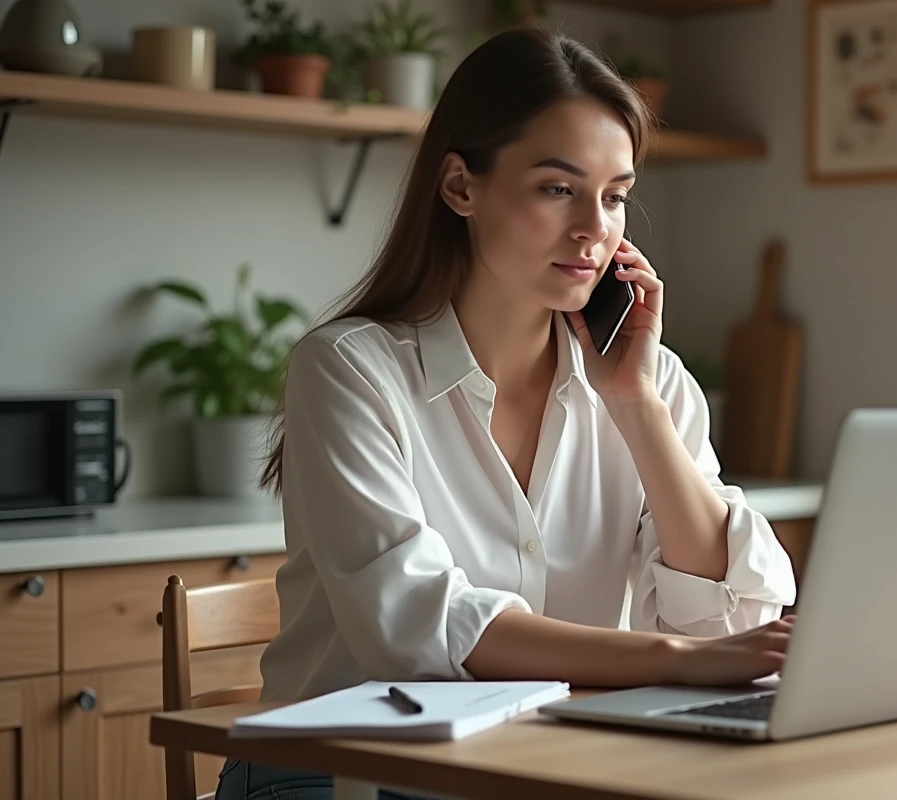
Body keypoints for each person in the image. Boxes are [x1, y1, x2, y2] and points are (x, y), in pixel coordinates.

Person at [214, 25, 796, 800]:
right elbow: (418, 629)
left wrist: (636, 407)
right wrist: (673, 661)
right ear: (460, 186)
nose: (596, 228)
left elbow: (731, 619)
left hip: (539, 768)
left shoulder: (650, 382)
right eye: (558, 189)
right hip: (335, 776)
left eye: (616, 196)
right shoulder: (350, 370)